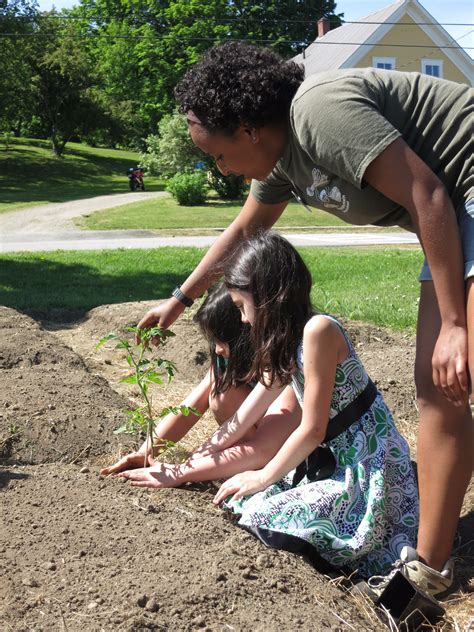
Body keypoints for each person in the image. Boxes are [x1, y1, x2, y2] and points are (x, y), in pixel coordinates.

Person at [137, 42, 472, 595]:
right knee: (439, 389)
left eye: (218, 156)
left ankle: (426, 574)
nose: (220, 171)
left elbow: (427, 193)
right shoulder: (280, 163)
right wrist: (179, 299)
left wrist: (456, 325)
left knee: (447, 380)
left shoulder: (318, 112)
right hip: (453, 213)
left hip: (460, 196)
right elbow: (245, 232)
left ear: (248, 129)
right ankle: (427, 574)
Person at [200, 231, 418, 579]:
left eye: (242, 307)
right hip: (334, 463)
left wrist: (262, 475)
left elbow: (313, 429)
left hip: (366, 469)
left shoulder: (318, 331)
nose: (242, 320)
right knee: (242, 501)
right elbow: (243, 417)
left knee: (262, 514)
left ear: (268, 296)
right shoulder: (287, 342)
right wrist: (196, 460)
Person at [101, 282, 300, 479]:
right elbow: (189, 409)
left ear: (246, 334)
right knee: (220, 392)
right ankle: (237, 464)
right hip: (260, 445)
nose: (217, 350)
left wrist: (182, 471)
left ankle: (250, 467)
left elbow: (264, 448)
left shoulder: (285, 368)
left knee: (223, 397)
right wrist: (146, 453)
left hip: (286, 449)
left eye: (222, 340)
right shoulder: (229, 362)